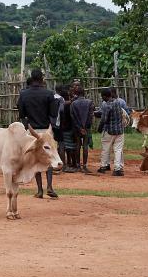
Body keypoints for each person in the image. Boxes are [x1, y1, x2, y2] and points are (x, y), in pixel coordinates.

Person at [17, 68, 60, 198]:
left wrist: (28, 127)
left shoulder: (24, 94)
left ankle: (40, 190)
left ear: (31, 78)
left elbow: (21, 114)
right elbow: (53, 114)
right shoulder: (49, 94)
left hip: (32, 132)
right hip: (46, 130)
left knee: (36, 159)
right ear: (42, 79)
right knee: (49, 157)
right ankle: (50, 187)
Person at [96, 87, 129, 176]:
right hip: (119, 130)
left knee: (105, 148)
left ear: (105, 96)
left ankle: (103, 166)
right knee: (118, 149)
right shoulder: (118, 102)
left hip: (109, 130)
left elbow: (104, 119)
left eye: (102, 96)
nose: (102, 98)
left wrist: (99, 128)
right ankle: (117, 169)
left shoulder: (107, 105)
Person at [70, 84, 95, 174]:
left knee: (77, 145)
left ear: (76, 94)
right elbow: (90, 116)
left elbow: (73, 117)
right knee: (85, 146)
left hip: (77, 128)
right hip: (86, 128)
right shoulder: (90, 102)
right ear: (84, 93)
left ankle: (77, 165)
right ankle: (84, 165)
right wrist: (85, 127)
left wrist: (80, 128)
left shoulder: (73, 103)